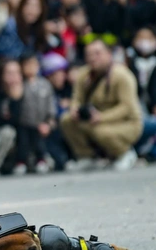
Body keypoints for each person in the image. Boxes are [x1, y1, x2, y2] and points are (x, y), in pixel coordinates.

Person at [61, 39, 143, 171]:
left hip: (125, 122)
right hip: (94, 119)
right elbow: (76, 98)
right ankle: (87, 157)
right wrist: (74, 109)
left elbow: (127, 107)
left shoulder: (121, 75)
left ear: (109, 54)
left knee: (100, 131)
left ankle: (125, 153)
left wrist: (102, 117)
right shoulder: (83, 74)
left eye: (97, 53)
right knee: (67, 120)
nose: (93, 58)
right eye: (89, 54)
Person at [14, 52, 56, 175]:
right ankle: (21, 162)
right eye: (27, 64)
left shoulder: (45, 84)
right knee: (23, 142)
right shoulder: (20, 84)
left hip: (41, 122)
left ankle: (41, 160)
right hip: (24, 122)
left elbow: (50, 104)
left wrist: (49, 122)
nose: (30, 67)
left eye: (33, 64)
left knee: (39, 143)